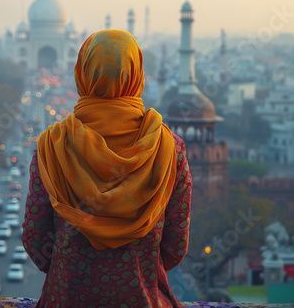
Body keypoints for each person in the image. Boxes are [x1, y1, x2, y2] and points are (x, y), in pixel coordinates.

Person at [22, 29, 192, 307]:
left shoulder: (52, 145)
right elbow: (175, 246)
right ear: (137, 74)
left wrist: (69, 269)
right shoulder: (168, 147)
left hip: (66, 299)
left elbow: (35, 238)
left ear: (83, 72)